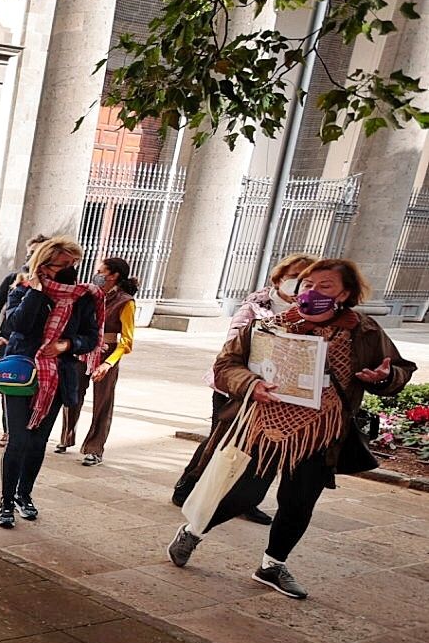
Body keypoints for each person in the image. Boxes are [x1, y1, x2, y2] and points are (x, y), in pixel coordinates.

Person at [167, 258, 416, 599]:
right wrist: (250, 384)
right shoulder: (271, 325)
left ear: (345, 292)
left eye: (324, 287)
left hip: (321, 434)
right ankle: (193, 531)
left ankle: (272, 565)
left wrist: (384, 377)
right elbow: (227, 365)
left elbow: (398, 369)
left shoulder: (365, 331)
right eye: (308, 285)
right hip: (265, 427)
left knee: (298, 502)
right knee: (243, 495)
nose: (312, 292)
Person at [172, 251, 320, 522]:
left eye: (305, 280)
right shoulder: (254, 308)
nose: (298, 285)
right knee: (221, 439)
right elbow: (232, 349)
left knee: (261, 447)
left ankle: (243, 500)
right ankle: (188, 484)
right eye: (293, 278)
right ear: (278, 279)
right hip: (237, 388)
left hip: (279, 393)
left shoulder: (311, 315)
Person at [0, 235, 102, 528]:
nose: (70, 269)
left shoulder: (83, 296)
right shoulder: (22, 288)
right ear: (44, 264)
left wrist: (67, 345)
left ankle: (24, 495)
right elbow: (16, 325)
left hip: (58, 375)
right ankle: (6, 501)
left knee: (38, 441)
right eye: (63, 264)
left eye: (73, 264)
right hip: (24, 373)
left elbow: (92, 337)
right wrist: (38, 292)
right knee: (18, 440)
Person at [57, 255, 139, 466]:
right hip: (84, 350)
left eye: (102, 272)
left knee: (103, 402)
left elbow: (126, 341)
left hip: (106, 353)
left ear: (114, 275)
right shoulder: (90, 295)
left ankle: (95, 448)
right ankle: (66, 437)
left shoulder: (125, 302)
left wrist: (108, 363)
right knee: (72, 392)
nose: (98, 275)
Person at [0, 233, 47, 450]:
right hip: (10, 345)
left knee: (33, 389)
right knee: (10, 386)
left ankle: (29, 428)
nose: (32, 257)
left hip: (39, 350)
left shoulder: (57, 288)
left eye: (37, 253)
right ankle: (9, 429)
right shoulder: (14, 280)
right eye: (30, 253)